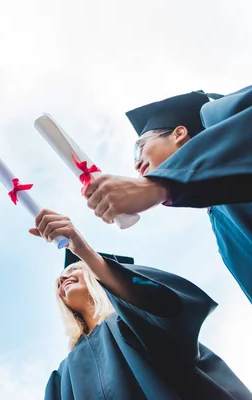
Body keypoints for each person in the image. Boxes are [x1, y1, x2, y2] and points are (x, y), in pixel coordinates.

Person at [29, 210, 252, 399]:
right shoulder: (62, 377)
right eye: (61, 277)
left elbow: (165, 307)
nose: (63, 277)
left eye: (73, 269)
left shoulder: (136, 318)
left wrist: (84, 252)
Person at [83, 86, 252, 302]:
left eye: (140, 147)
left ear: (179, 133)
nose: (137, 165)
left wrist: (161, 184)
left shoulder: (218, 114)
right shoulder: (222, 230)